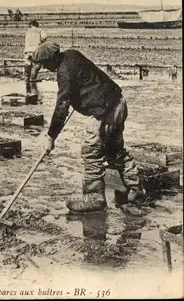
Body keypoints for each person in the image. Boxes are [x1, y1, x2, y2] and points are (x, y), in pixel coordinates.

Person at [30, 42, 146, 214]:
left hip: (103, 112)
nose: (46, 68)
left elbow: (62, 105)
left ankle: (94, 199)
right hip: (118, 102)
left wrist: (50, 136)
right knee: (116, 152)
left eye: (46, 64)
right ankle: (134, 194)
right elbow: (86, 80)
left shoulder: (64, 73)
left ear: (52, 59)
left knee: (91, 152)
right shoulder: (72, 54)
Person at [24, 20, 47, 96]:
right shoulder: (40, 30)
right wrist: (42, 42)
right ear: (37, 25)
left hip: (27, 51)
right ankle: (33, 83)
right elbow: (45, 37)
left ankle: (27, 83)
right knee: (36, 65)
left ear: (31, 25)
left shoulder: (28, 31)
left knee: (28, 65)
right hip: (36, 50)